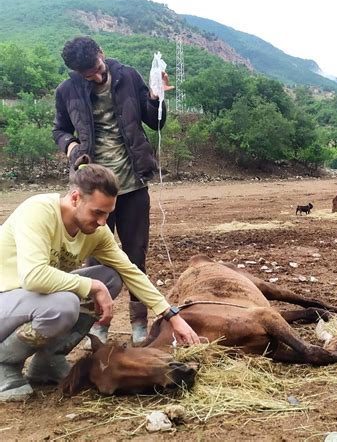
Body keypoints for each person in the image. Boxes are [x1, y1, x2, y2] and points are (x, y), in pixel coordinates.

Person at [0, 162, 200, 401]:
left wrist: (172, 315)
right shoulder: (38, 212)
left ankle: (48, 361)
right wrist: (92, 286)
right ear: (75, 198)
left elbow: (130, 271)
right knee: (65, 304)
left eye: (108, 213)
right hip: (7, 298)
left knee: (110, 277)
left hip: (32, 301)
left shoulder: (95, 232)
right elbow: (33, 276)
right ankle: (5, 365)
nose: (103, 222)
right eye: (97, 212)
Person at [53, 36, 173, 345]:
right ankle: (98, 324)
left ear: (101, 55)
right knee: (94, 260)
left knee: (135, 255)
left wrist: (158, 97)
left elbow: (154, 122)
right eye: (85, 74)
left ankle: (138, 323)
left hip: (132, 184)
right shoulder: (66, 91)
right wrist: (70, 146)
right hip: (94, 188)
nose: (94, 76)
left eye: (95, 68)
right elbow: (59, 129)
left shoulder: (128, 76)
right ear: (75, 72)